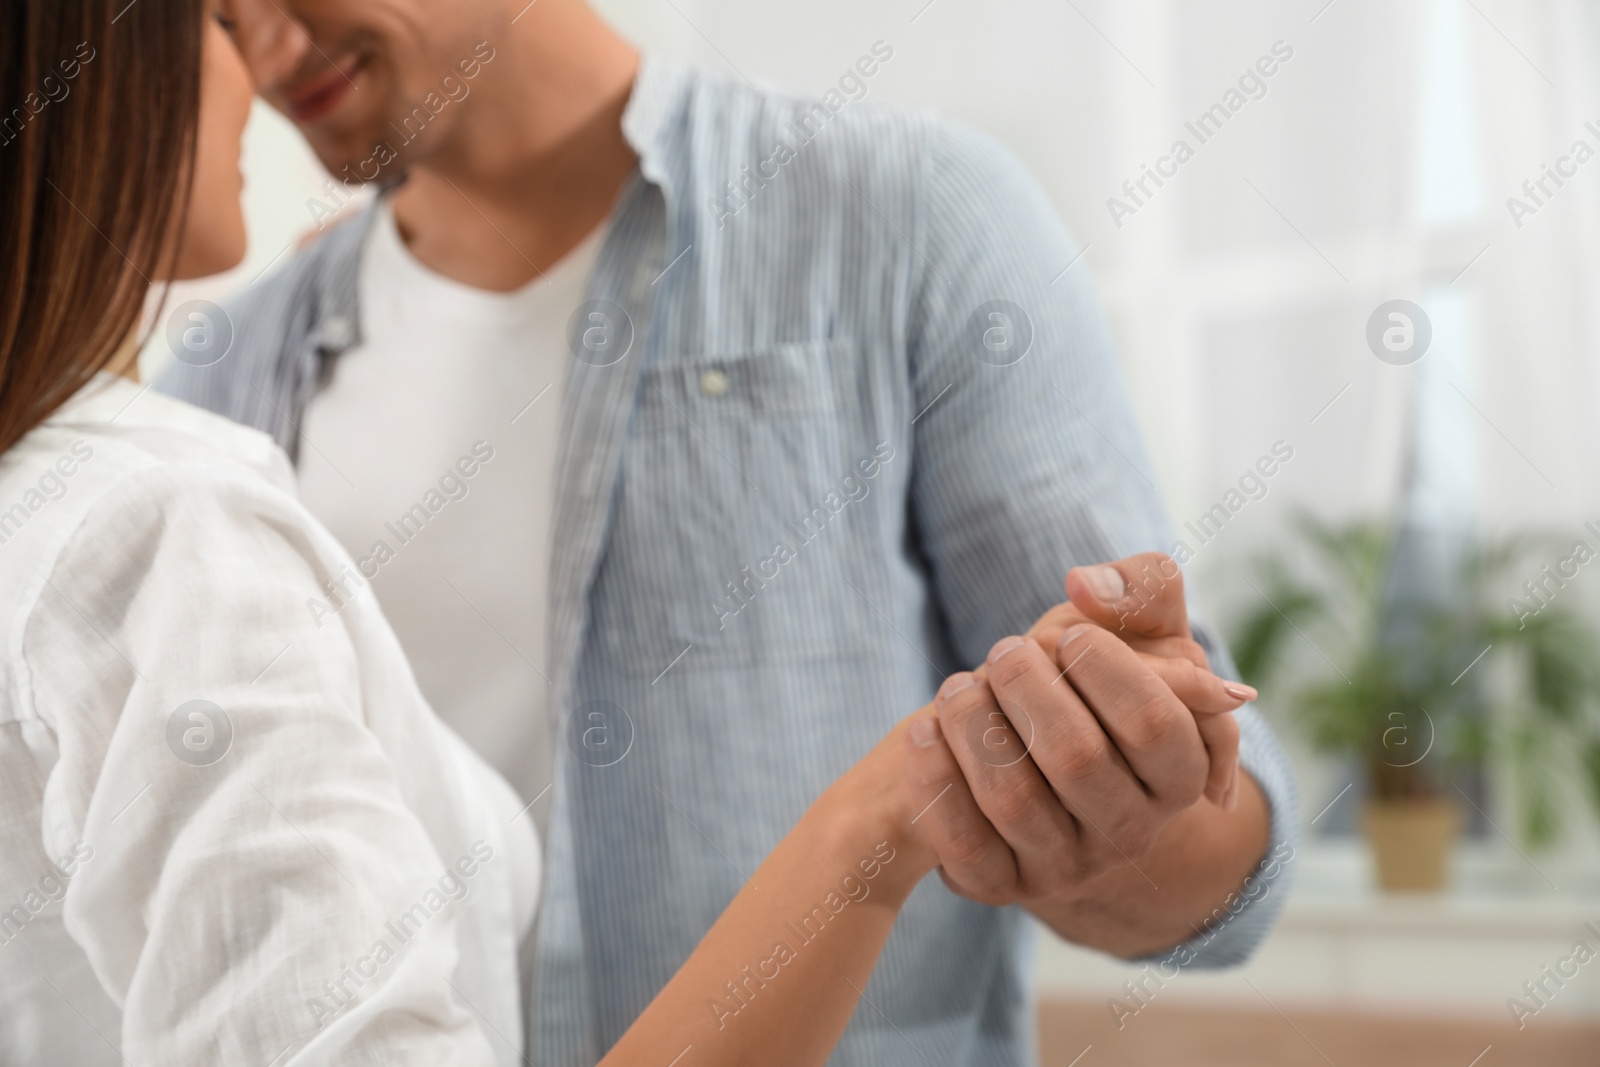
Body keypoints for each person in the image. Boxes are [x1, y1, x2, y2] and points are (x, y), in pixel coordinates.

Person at [0, 5, 1261, 1065]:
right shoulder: (225, 388)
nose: (269, 47)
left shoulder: (909, 218)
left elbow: (1219, 874)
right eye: (217, 9)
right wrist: (872, 830)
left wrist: (1107, 799)